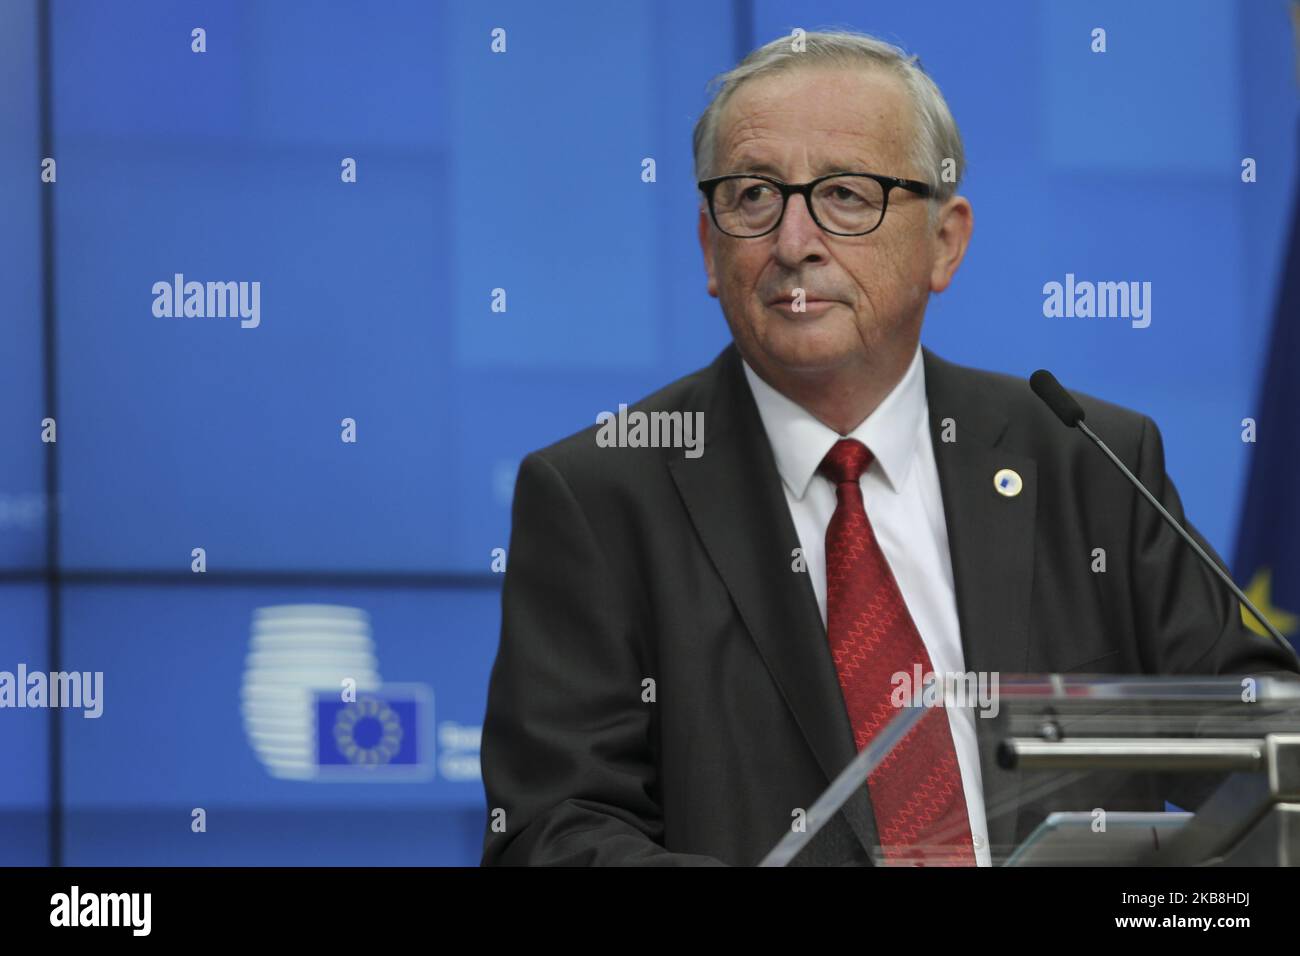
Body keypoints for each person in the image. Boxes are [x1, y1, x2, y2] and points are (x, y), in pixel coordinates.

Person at [479, 30, 1298, 866]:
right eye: (754, 195)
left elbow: (1265, 743)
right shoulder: (600, 495)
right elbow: (553, 833)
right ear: (708, 249)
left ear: (945, 241)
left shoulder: (1088, 460)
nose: (793, 241)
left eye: (844, 194)